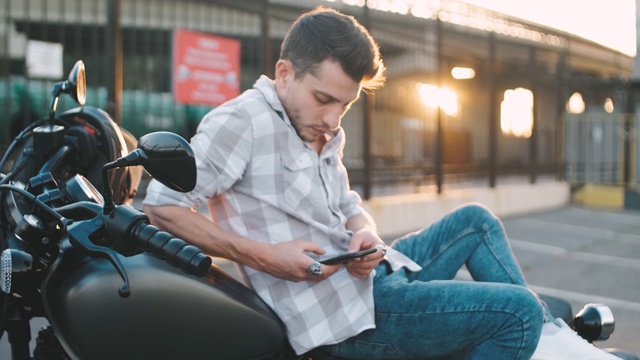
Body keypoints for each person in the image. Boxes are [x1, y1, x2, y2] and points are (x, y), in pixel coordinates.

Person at [143, 6, 620, 360]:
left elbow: (348, 203)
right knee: (517, 312)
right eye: (323, 98)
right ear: (285, 73)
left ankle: (549, 341)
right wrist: (264, 256)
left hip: (372, 279)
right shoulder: (242, 122)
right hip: (344, 324)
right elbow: (163, 206)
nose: (332, 119)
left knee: (475, 222)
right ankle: (539, 337)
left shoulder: (320, 129)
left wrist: (364, 230)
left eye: (344, 105)